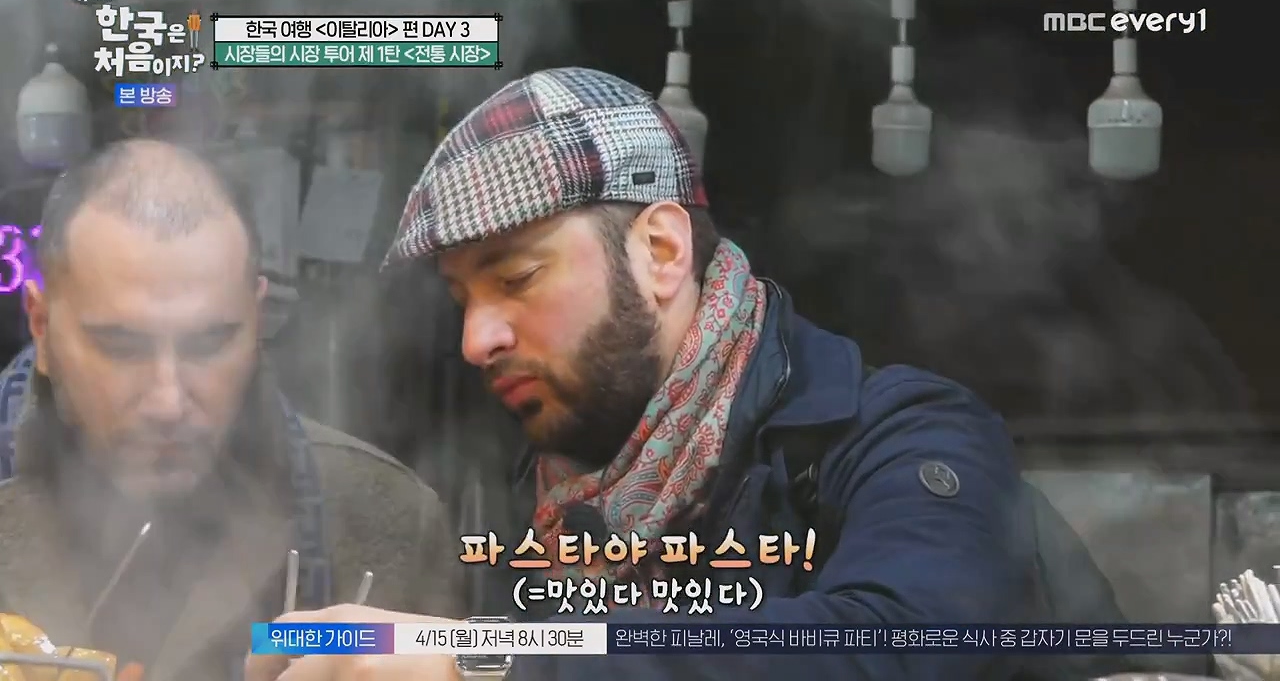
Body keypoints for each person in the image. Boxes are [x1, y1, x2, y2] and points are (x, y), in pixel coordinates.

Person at [246, 67, 1108, 681]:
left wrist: (479, 661)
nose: (478, 338)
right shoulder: (549, 502)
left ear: (661, 251)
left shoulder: (898, 435)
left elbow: (892, 644)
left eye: (516, 278)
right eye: (462, 298)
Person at [0, 139, 463, 681]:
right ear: (42, 326)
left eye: (209, 343)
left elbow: (514, 654)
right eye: (121, 347)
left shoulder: (382, 518)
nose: (168, 401)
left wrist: (465, 666)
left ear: (257, 320)